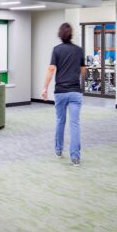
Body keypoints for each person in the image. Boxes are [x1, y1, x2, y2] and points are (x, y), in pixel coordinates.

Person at [41, 22, 85, 166]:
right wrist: (75, 72)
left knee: (60, 121)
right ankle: (75, 157)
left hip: (60, 91)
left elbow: (51, 70)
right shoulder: (79, 50)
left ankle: (59, 150)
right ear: (71, 34)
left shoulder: (56, 50)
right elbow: (83, 71)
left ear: (60, 34)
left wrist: (45, 88)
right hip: (75, 92)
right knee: (75, 124)